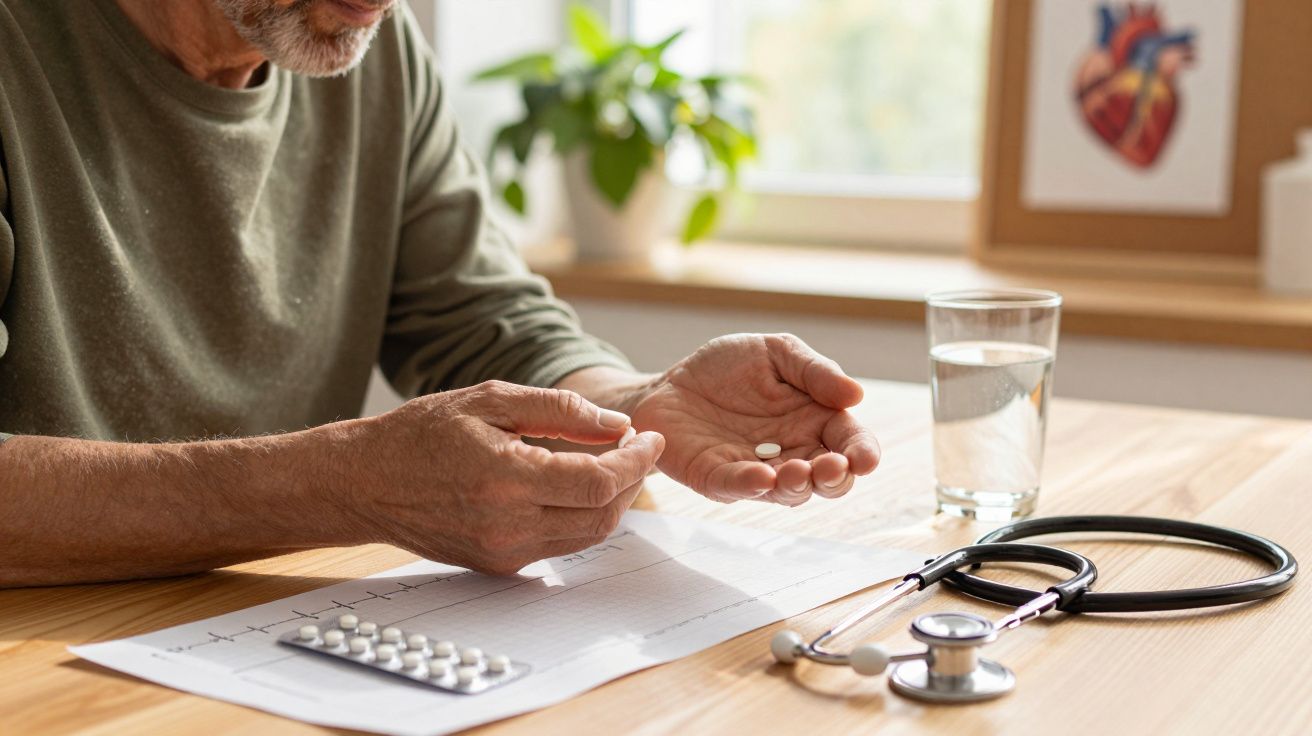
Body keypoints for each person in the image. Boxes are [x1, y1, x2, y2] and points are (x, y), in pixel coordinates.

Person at [0, 0, 880, 587]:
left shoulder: (373, 57)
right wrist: (336, 486)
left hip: (258, 645)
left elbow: (484, 322)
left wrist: (638, 405)